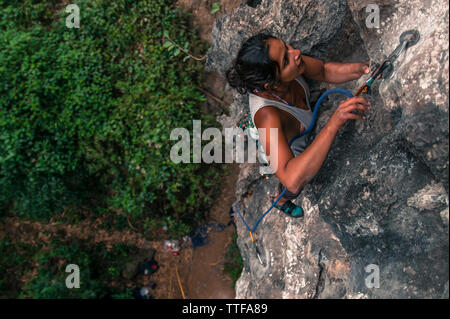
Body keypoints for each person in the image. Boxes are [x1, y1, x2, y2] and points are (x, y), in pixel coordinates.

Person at [226, 33, 371, 218]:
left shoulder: (294, 64)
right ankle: (280, 200)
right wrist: (333, 124)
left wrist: (362, 68)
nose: (296, 53)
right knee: (291, 188)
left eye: (286, 46)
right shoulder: (267, 115)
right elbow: (291, 179)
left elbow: (323, 70)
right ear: (271, 85)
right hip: (289, 149)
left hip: (295, 129)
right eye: (286, 59)